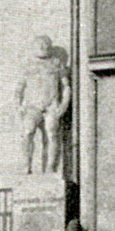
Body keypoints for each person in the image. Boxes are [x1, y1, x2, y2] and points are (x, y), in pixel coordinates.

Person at [15, 35, 70, 174]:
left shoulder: (56, 64)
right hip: (33, 106)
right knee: (27, 132)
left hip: (51, 105)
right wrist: (18, 105)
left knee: (52, 134)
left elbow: (66, 86)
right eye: (39, 44)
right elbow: (19, 88)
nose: (42, 47)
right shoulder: (28, 65)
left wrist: (63, 105)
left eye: (45, 44)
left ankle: (51, 167)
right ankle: (26, 166)